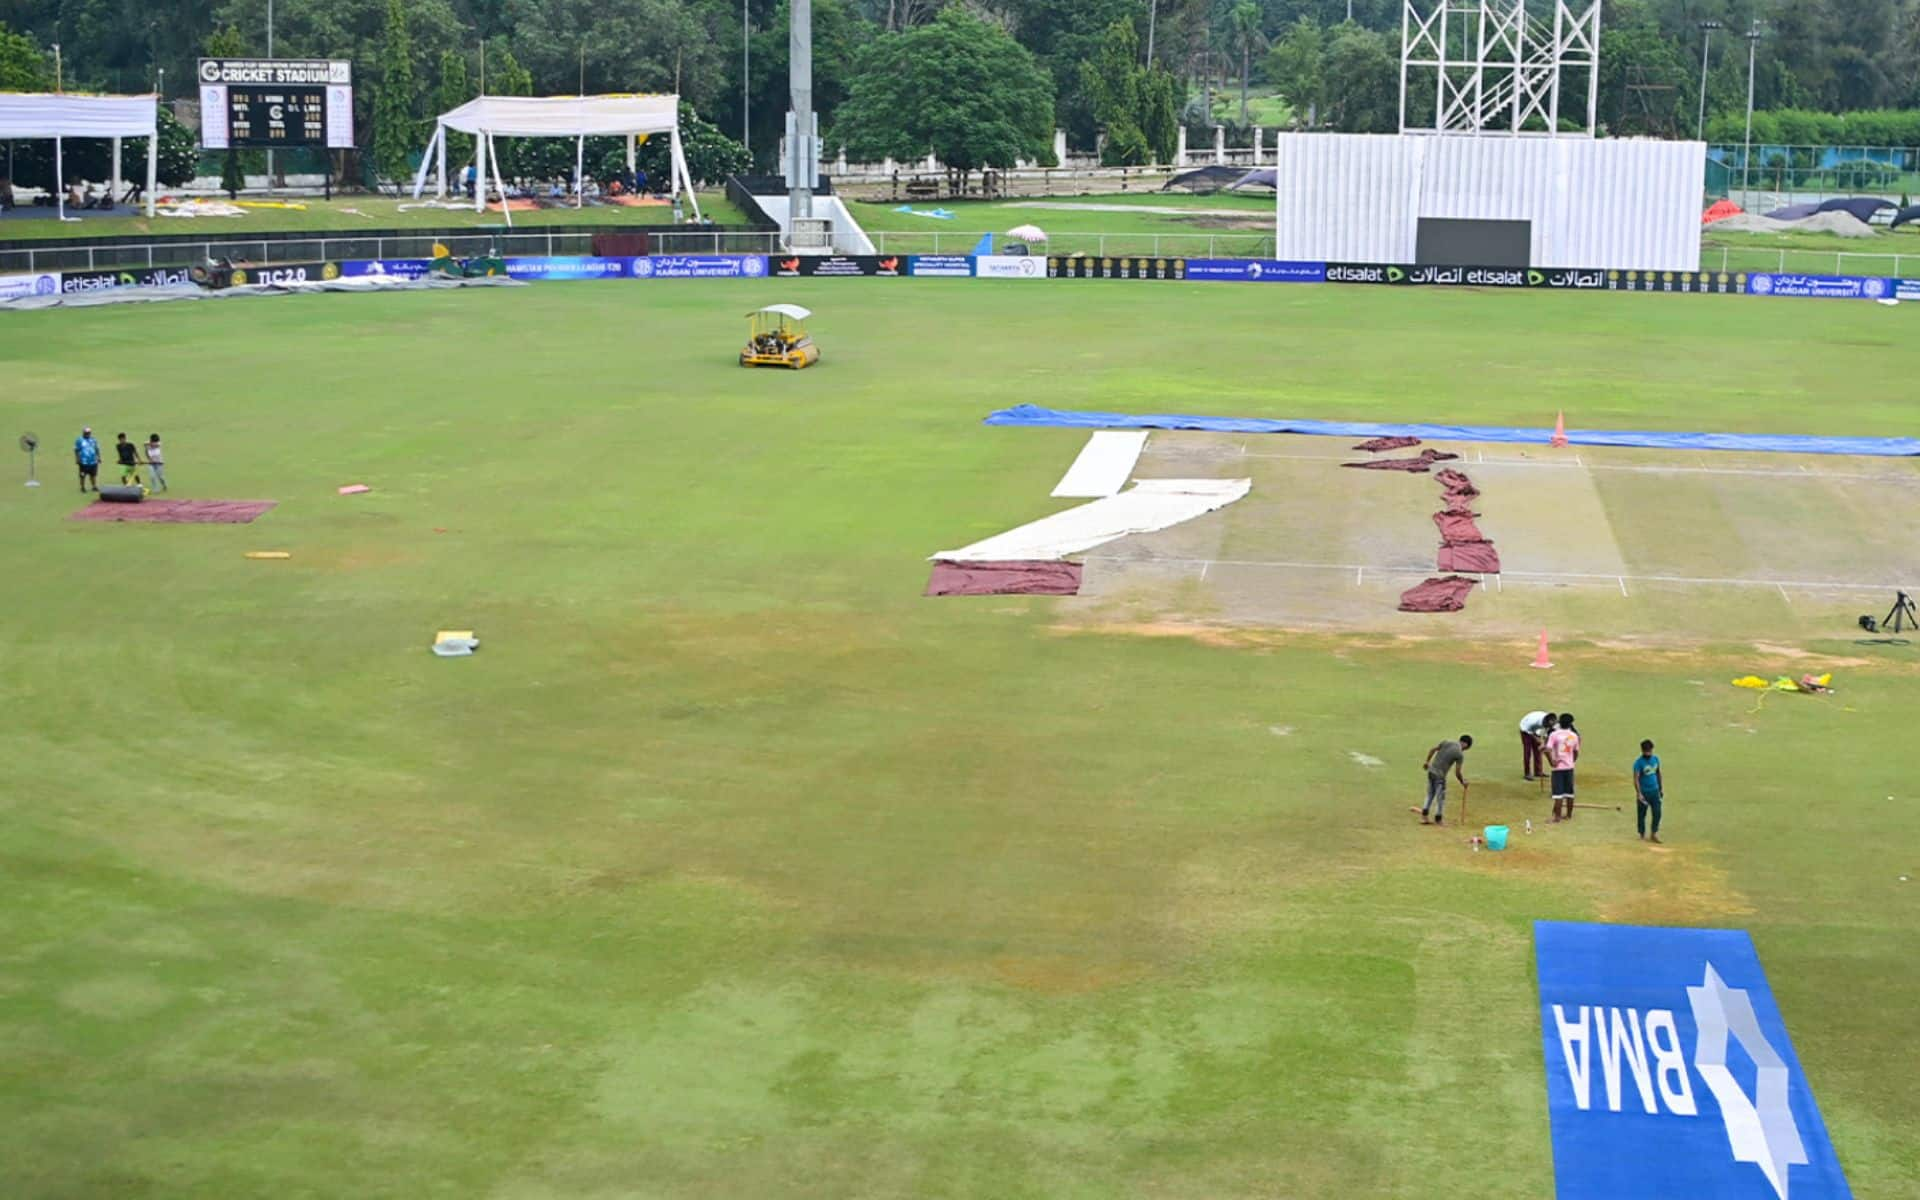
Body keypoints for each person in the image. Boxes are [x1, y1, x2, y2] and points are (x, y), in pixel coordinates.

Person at [1420, 734, 1472, 826]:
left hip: (1431, 772)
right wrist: (1462, 782)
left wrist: (1427, 761)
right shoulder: (1459, 754)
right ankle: (1438, 819)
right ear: (1466, 745)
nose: (1464, 751)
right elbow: (1457, 772)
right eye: (1466, 749)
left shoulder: (1446, 742)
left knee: (1430, 794)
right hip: (1440, 776)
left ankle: (1424, 816)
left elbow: (1432, 749)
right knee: (1441, 798)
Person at [1547, 713, 1581, 822]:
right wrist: (1572, 761)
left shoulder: (1554, 735)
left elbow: (1548, 749)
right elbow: (1576, 752)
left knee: (1558, 794)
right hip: (1569, 767)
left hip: (1558, 768)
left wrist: (1552, 761)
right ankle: (1569, 815)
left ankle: (1557, 817)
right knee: (1569, 793)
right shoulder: (1574, 736)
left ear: (1559, 722)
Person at [1632, 739, 1664, 843]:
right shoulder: (1638, 763)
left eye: (1649, 751)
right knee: (1641, 815)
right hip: (1644, 792)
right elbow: (1636, 778)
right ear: (1642, 750)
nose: (1648, 753)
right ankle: (1642, 834)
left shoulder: (1656, 759)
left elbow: (1658, 773)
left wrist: (1660, 788)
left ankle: (1653, 833)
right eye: (1646, 751)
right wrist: (1639, 793)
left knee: (1657, 813)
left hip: (1654, 791)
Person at [1519, 710, 1556, 780]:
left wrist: (1543, 744)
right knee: (1527, 751)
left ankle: (1538, 772)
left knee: (1538, 750)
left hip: (1536, 730)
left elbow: (1546, 739)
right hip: (1525, 729)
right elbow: (1528, 731)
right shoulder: (1533, 721)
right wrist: (1536, 739)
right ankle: (1527, 773)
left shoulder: (1551, 723)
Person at [74, 426, 101, 492]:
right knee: (83, 475)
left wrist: (99, 457)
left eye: (88, 433)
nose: (87, 434)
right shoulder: (79, 440)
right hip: (83, 461)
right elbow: (76, 450)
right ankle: (82, 487)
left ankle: (94, 486)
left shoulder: (93, 440)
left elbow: (97, 449)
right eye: (86, 433)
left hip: (93, 461)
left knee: (93, 475)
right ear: (83, 433)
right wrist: (77, 459)